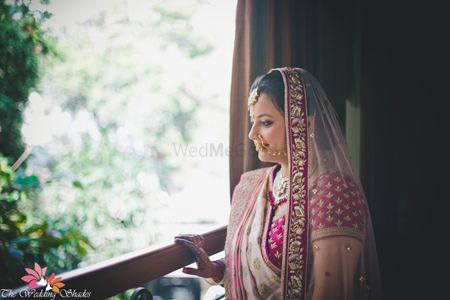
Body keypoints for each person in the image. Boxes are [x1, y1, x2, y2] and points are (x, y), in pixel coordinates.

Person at [175, 67, 382, 300]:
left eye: (265, 123)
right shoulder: (251, 186)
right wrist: (216, 270)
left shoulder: (334, 192)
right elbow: (246, 267)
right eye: (253, 122)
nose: (253, 134)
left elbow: (331, 292)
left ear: (305, 123)